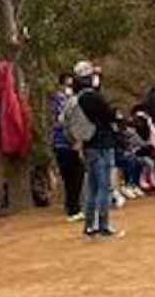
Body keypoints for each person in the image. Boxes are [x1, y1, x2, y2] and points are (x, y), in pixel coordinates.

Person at [73, 62, 123, 239]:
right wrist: (116, 115)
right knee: (104, 186)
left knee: (92, 188)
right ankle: (103, 224)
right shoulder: (93, 97)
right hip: (102, 144)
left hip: (89, 145)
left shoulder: (78, 97)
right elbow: (108, 114)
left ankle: (89, 226)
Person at [50, 73, 85, 224]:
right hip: (62, 143)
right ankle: (73, 208)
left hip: (74, 143)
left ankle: (74, 206)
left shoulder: (76, 101)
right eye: (67, 85)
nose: (69, 88)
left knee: (78, 175)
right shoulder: (59, 100)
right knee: (70, 176)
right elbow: (63, 121)